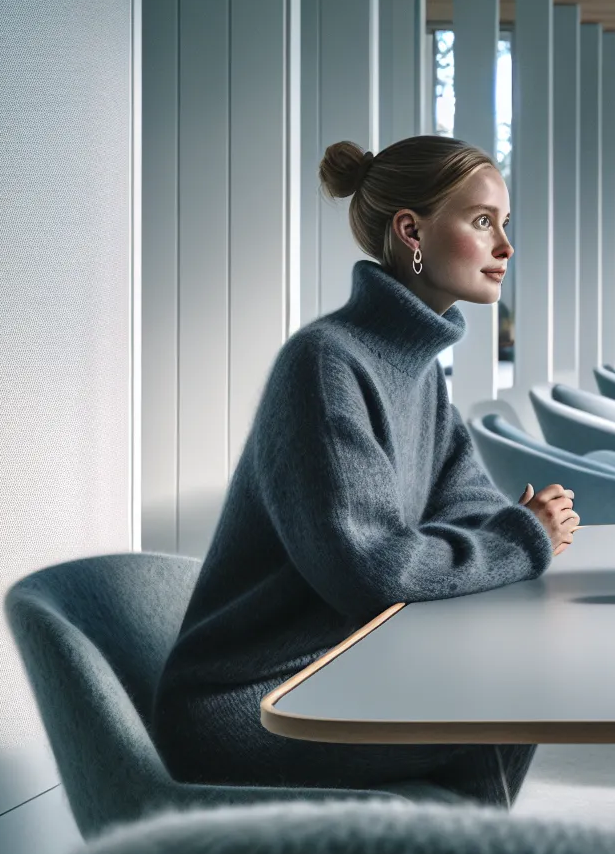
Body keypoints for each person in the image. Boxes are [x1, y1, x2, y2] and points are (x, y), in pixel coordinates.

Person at [154, 136, 579, 806]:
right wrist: (521, 538)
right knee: (509, 697)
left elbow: (465, 507)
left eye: (504, 224)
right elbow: (373, 571)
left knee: (511, 683)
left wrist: (507, 532)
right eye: (482, 221)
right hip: (257, 703)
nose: (506, 246)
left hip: (349, 673)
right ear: (411, 231)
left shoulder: (417, 372)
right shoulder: (326, 365)